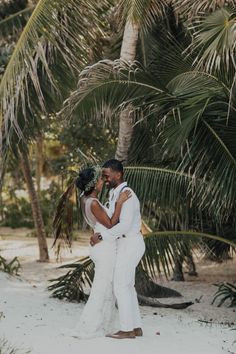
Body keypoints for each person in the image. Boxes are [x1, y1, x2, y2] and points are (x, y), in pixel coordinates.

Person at [71, 165, 131, 339]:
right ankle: (93, 325)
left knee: (103, 286)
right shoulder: (94, 203)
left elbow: (97, 223)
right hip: (104, 248)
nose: (103, 181)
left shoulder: (84, 198)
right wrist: (119, 203)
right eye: (99, 179)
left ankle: (104, 323)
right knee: (102, 287)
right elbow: (112, 223)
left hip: (99, 244)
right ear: (93, 184)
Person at [90, 159, 146, 339]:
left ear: (118, 174)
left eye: (107, 175)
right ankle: (136, 327)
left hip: (130, 242)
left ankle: (127, 329)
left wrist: (102, 237)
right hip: (124, 244)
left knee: (121, 286)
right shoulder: (116, 193)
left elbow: (124, 226)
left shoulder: (127, 194)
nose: (104, 178)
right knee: (128, 286)